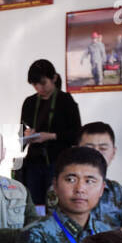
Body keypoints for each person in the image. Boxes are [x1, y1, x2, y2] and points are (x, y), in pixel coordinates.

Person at [54, 122, 122, 235]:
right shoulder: (62, 188)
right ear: (76, 149)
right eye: (89, 148)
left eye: (103, 148)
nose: (96, 153)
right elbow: (65, 235)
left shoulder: (116, 190)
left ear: (113, 152)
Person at [17, 58, 81, 205]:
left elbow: (77, 134)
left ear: (54, 78)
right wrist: (26, 134)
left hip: (58, 162)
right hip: (34, 162)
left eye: (43, 83)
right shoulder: (29, 103)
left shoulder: (65, 101)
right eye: (35, 85)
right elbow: (20, 131)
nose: (40, 88)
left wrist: (51, 136)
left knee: (57, 204)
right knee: (35, 205)